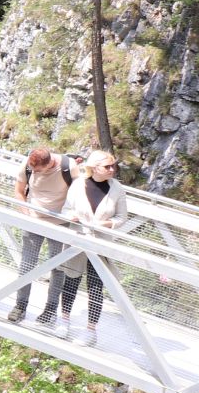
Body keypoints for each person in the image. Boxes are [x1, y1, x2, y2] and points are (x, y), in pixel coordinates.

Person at [45, 150, 127, 346]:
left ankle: (91, 331)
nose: (112, 169)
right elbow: (66, 209)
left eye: (113, 166)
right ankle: (64, 320)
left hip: (100, 244)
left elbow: (121, 218)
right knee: (71, 280)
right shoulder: (78, 184)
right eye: (107, 166)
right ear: (94, 168)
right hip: (78, 239)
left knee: (96, 287)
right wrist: (70, 217)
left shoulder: (117, 189)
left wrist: (106, 224)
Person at [8, 145, 74, 324]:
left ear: (50, 164)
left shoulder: (69, 167)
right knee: (26, 265)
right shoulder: (27, 165)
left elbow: (80, 194)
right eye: (32, 170)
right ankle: (20, 306)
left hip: (60, 224)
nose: (34, 172)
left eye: (38, 171)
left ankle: (50, 310)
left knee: (57, 269)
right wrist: (26, 212)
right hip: (34, 222)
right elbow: (19, 191)